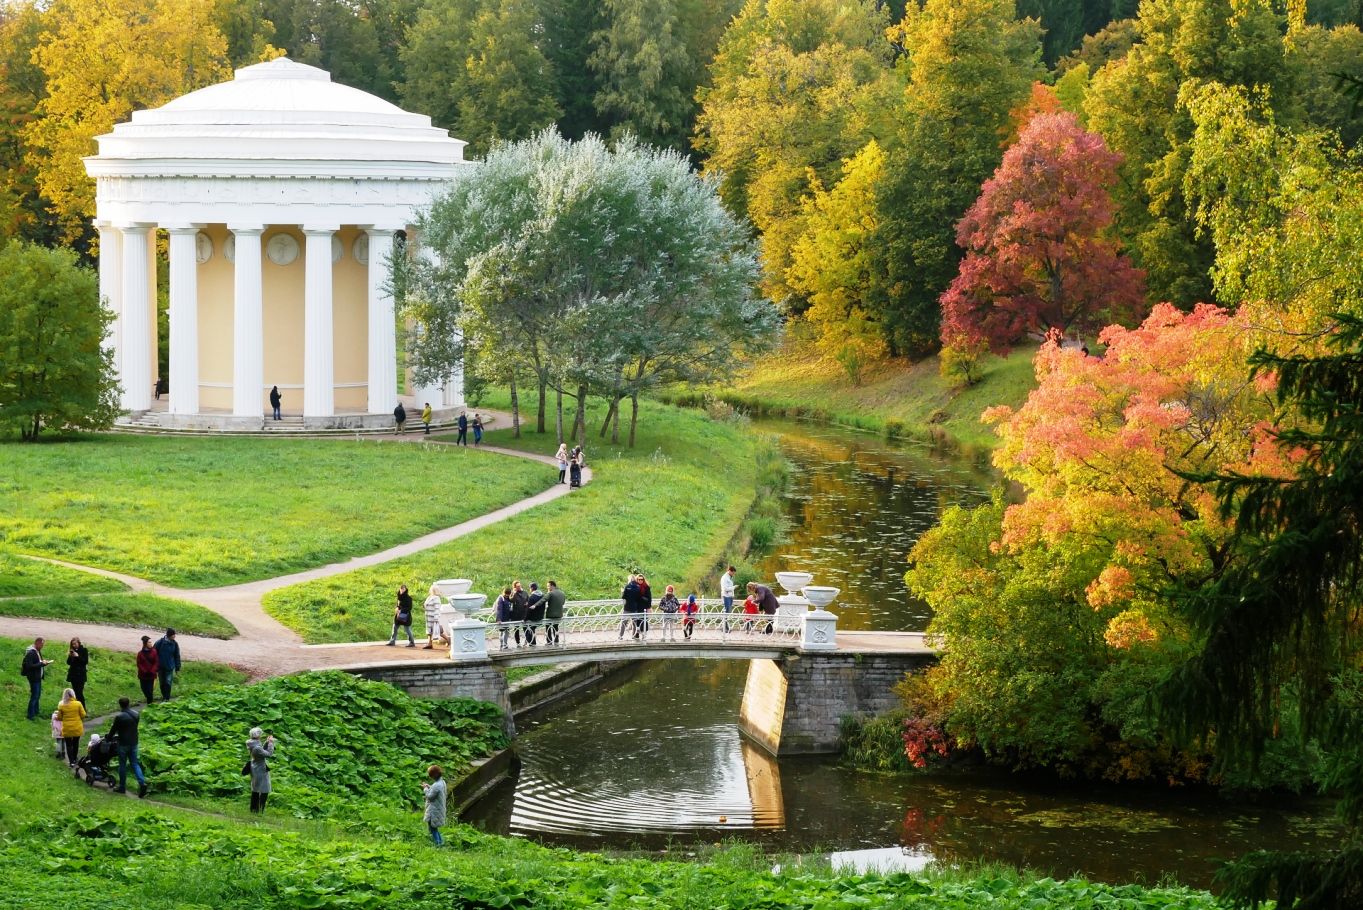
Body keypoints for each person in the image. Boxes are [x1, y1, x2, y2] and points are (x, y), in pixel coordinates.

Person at [109, 696, 147, 797]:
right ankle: (142, 783)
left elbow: (113, 730)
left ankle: (122, 787)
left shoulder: (119, 717)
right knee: (135, 763)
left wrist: (108, 738)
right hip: (134, 742)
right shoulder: (136, 714)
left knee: (122, 765)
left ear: (120, 705)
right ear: (129, 703)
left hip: (123, 743)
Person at [246, 727, 276, 813]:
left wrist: (266, 742)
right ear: (258, 736)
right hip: (260, 769)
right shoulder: (256, 747)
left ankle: (253, 809)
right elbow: (268, 754)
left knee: (255, 789)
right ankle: (259, 810)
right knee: (264, 789)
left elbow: (261, 751)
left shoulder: (253, 744)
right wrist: (270, 743)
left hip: (255, 767)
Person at [21, 637, 51, 720]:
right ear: (37, 643)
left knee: (37, 695)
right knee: (34, 696)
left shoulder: (37, 651)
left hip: (38, 677)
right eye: (42, 644)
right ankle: (30, 715)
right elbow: (29, 666)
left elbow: (37, 662)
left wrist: (43, 662)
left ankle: (36, 711)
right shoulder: (31, 653)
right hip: (33, 677)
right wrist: (41, 664)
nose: (42, 646)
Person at [55, 687, 87, 767]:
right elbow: (83, 715)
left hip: (67, 728)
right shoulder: (78, 704)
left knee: (68, 744)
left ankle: (71, 761)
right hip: (77, 727)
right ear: (73, 694)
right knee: (76, 743)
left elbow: (59, 718)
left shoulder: (62, 705)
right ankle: (75, 758)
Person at [423, 764, 447, 846]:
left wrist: (425, 789)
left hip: (434, 811)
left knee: (433, 828)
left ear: (433, 775)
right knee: (434, 828)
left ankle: (438, 843)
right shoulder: (442, 782)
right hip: (439, 808)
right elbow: (435, 790)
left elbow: (430, 797)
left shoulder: (437, 785)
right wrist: (429, 786)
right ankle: (440, 841)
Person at [154, 628, 181, 701]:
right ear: (169, 635)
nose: (174, 636)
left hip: (169, 667)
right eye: (173, 635)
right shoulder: (159, 643)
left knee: (168, 683)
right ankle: (164, 696)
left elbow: (177, 656)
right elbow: (153, 654)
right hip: (160, 667)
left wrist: (177, 668)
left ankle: (167, 698)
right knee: (162, 683)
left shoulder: (175, 644)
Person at [135, 636, 159, 704]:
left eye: (151, 642)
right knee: (143, 689)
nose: (151, 643)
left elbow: (156, 662)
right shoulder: (140, 653)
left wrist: (152, 670)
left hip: (151, 675)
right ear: (145, 644)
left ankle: (150, 703)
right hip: (143, 675)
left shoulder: (154, 652)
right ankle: (149, 699)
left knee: (150, 690)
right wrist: (144, 670)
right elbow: (139, 663)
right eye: (149, 642)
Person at [66, 637, 89, 705]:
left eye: (75, 644)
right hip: (73, 675)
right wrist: (70, 656)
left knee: (79, 693)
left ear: (78, 643)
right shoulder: (72, 651)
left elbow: (85, 662)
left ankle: (83, 709)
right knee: (75, 693)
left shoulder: (84, 650)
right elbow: (68, 663)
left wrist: (78, 656)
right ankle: (77, 709)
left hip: (81, 675)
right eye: (72, 644)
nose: (74, 645)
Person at [619, 574, 642, 640]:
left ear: (629, 579)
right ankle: (634, 636)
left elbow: (623, 597)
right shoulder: (638, 587)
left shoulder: (627, 586)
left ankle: (620, 636)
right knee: (634, 623)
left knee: (623, 622)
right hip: (635, 608)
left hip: (627, 607)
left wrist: (622, 592)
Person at [543, 580, 566, 646]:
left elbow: (544, 599)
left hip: (550, 614)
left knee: (548, 628)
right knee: (556, 628)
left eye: (548, 586)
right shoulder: (562, 593)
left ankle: (549, 641)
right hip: (559, 614)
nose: (547, 587)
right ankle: (556, 640)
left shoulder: (550, 593)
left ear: (552, 586)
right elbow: (563, 602)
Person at [422, 584, 444, 650]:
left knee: (436, 631)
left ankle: (448, 639)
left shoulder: (437, 598)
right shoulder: (429, 597)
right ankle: (430, 643)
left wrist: (436, 618)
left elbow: (437, 608)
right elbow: (426, 604)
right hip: (428, 617)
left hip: (433, 617)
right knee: (429, 631)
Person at [524, 582, 546, 646]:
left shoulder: (532, 597)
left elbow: (529, 610)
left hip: (533, 618)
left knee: (528, 629)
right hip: (540, 616)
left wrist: (525, 619)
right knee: (532, 629)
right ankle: (532, 643)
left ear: (532, 588)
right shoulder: (542, 595)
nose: (529, 589)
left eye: (530, 588)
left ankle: (531, 643)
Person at [509, 581, 529, 647]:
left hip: (524, 613)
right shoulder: (513, 593)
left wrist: (527, 603)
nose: (519, 587)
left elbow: (528, 600)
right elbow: (511, 600)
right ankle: (518, 643)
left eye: (520, 586)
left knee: (525, 628)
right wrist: (514, 593)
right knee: (516, 629)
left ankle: (526, 641)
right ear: (514, 587)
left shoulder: (525, 593)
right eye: (517, 586)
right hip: (516, 614)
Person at [720, 565, 737, 633]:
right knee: (726, 612)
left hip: (729, 596)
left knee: (728, 612)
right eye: (733, 573)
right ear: (730, 571)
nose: (733, 574)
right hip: (726, 596)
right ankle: (724, 628)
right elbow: (725, 588)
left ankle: (726, 627)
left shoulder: (729, 577)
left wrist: (732, 594)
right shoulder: (724, 578)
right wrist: (734, 587)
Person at [637, 574, 653, 641]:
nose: (640, 580)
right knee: (637, 620)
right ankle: (637, 634)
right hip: (637, 606)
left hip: (644, 606)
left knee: (644, 620)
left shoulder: (646, 587)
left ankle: (644, 634)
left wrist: (649, 607)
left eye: (642, 579)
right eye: (639, 579)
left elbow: (649, 598)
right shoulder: (635, 587)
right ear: (637, 580)